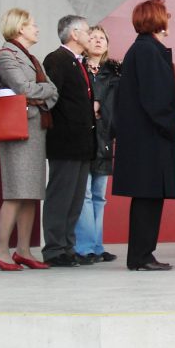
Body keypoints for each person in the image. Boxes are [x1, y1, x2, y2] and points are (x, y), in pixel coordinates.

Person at [113, 0, 175, 271]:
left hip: (146, 138)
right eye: (165, 13)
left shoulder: (144, 50)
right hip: (149, 140)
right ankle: (142, 255)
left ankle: (143, 254)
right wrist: (173, 126)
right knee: (148, 197)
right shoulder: (147, 51)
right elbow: (155, 99)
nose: (169, 16)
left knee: (148, 197)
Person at [0, 8, 58, 271]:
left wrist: (42, 93)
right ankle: (1, 250)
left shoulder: (31, 58)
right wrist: (44, 92)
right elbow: (23, 89)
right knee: (16, 191)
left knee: (31, 193)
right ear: (19, 27)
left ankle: (24, 249)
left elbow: (52, 93)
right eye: (32, 24)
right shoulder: (7, 55)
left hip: (35, 129)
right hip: (18, 131)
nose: (37, 28)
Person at [42, 15, 97, 267]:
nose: (90, 36)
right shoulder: (57, 60)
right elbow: (53, 99)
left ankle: (68, 245)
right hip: (65, 140)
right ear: (74, 34)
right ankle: (54, 248)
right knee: (60, 195)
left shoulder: (79, 63)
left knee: (75, 198)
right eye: (86, 32)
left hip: (82, 141)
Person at [74, 25, 120, 264]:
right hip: (84, 135)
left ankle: (98, 245)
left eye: (102, 37)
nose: (98, 41)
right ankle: (85, 246)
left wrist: (102, 106)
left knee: (99, 195)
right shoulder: (78, 68)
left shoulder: (114, 71)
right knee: (85, 194)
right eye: (92, 37)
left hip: (105, 136)